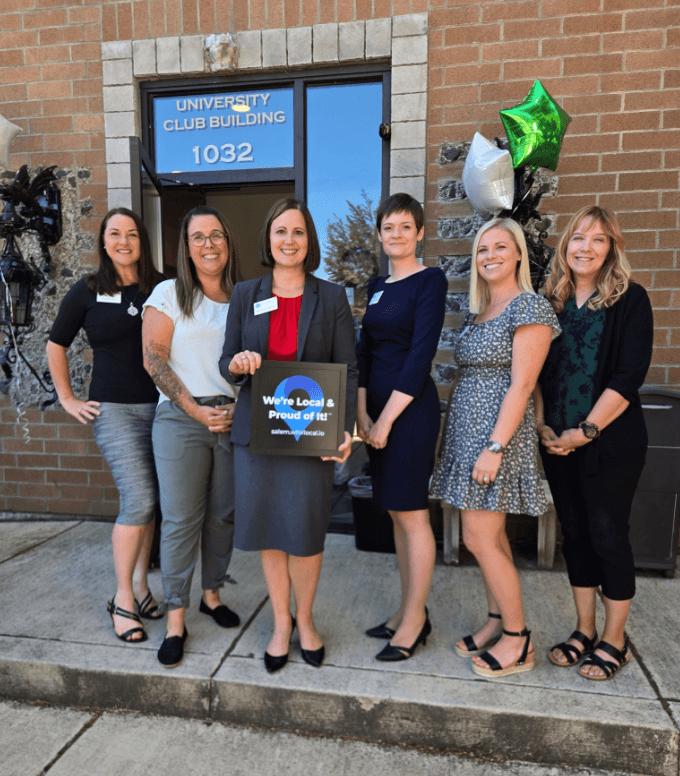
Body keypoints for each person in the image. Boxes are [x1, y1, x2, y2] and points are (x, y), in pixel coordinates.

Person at [220, 198, 357, 673]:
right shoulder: (244, 293)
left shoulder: (331, 297)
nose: (289, 240)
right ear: (268, 238)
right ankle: (281, 622)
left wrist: (344, 430)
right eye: (280, 231)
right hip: (257, 432)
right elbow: (227, 361)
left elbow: (348, 369)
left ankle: (307, 618)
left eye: (298, 232)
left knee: (305, 529)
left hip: (309, 433)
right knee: (270, 532)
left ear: (309, 240)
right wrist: (237, 365)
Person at [430, 217, 560, 678]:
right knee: (493, 537)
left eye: (500, 248)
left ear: (519, 254)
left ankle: (519, 640)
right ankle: (495, 622)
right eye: (482, 250)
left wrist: (495, 446)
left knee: (478, 537)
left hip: (496, 438)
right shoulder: (480, 310)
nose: (489, 257)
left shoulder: (530, 308)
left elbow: (523, 385)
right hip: (469, 434)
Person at [534, 205, 653, 681]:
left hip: (610, 442)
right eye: (578, 238)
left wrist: (584, 432)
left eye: (598, 240)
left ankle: (615, 640)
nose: (586, 247)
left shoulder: (630, 300)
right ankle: (584, 630)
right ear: (566, 247)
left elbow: (628, 376)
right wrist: (544, 427)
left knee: (608, 536)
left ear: (611, 249)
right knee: (576, 535)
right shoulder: (551, 303)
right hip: (557, 442)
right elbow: (537, 374)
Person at [46, 207, 164, 644]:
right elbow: (55, 344)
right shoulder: (88, 290)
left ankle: (141, 587)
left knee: (150, 503)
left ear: (142, 241)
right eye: (115, 234)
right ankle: (122, 600)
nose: (123, 241)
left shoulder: (161, 287)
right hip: (113, 410)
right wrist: (67, 398)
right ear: (103, 241)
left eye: (132, 234)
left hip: (160, 407)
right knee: (139, 499)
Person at [142, 205, 241, 669]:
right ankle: (176, 617)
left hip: (232, 418)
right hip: (182, 418)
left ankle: (212, 595)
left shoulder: (243, 297)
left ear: (227, 242)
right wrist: (196, 411)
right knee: (182, 520)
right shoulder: (168, 293)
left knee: (223, 515)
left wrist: (238, 408)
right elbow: (154, 360)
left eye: (216, 235)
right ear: (185, 246)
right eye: (198, 237)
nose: (209, 244)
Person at [356, 193, 447, 662]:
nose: (396, 235)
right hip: (375, 416)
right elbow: (365, 353)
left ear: (419, 233)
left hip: (409, 413)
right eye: (388, 227)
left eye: (405, 227)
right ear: (379, 233)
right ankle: (407, 607)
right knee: (393, 511)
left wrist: (387, 419)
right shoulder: (375, 286)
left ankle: (415, 621)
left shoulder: (430, 280)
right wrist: (362, 414)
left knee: (411, 514)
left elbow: (420, 355)